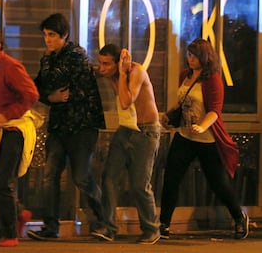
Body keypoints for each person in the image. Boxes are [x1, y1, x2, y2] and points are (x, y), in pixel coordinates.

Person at [159, 38, 249, 240]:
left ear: (204, 57)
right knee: (171, 178)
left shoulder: (213, 79)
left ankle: (238, 216)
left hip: (207, 139)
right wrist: (169, 114)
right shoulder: (185, 75)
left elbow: (215, 111)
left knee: (218, 183)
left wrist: (202, 126)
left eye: (194, 55)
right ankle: (164, 223)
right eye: (189, 54)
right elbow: (183, 102)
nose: (190, 58)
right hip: (185, 136)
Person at [27, 13, 106, 241]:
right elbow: (38, 88)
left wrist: (50, 91)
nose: (48, 40)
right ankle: (51, 227)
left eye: (52, 35)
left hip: (82, 125)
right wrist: (50, 98)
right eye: (45, 36)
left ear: (64, 36)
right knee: (49, 176)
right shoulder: (48, 59)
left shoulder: (75, 55)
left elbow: (61, 83)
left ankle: (103, 221)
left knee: (81, 177)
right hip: (60, 125)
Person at [0, 26, 40, 247]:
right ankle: (19, 213)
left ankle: (10, 233)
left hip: (15, 128)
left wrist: (7, 114)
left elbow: (31, 94)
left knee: (3, 181)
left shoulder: (10, 67)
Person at [91, 44, 161, 244]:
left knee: (140, 183)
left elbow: (125, 101)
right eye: (100, 63)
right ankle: (109, 227)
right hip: (125, 130)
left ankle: (151, 229)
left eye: (106, 64)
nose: (102, 68)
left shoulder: (136, 72)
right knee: (109, 178)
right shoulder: (111, 74)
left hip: (145, 132)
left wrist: (122, 73)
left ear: (118, 63)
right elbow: (94, 71)